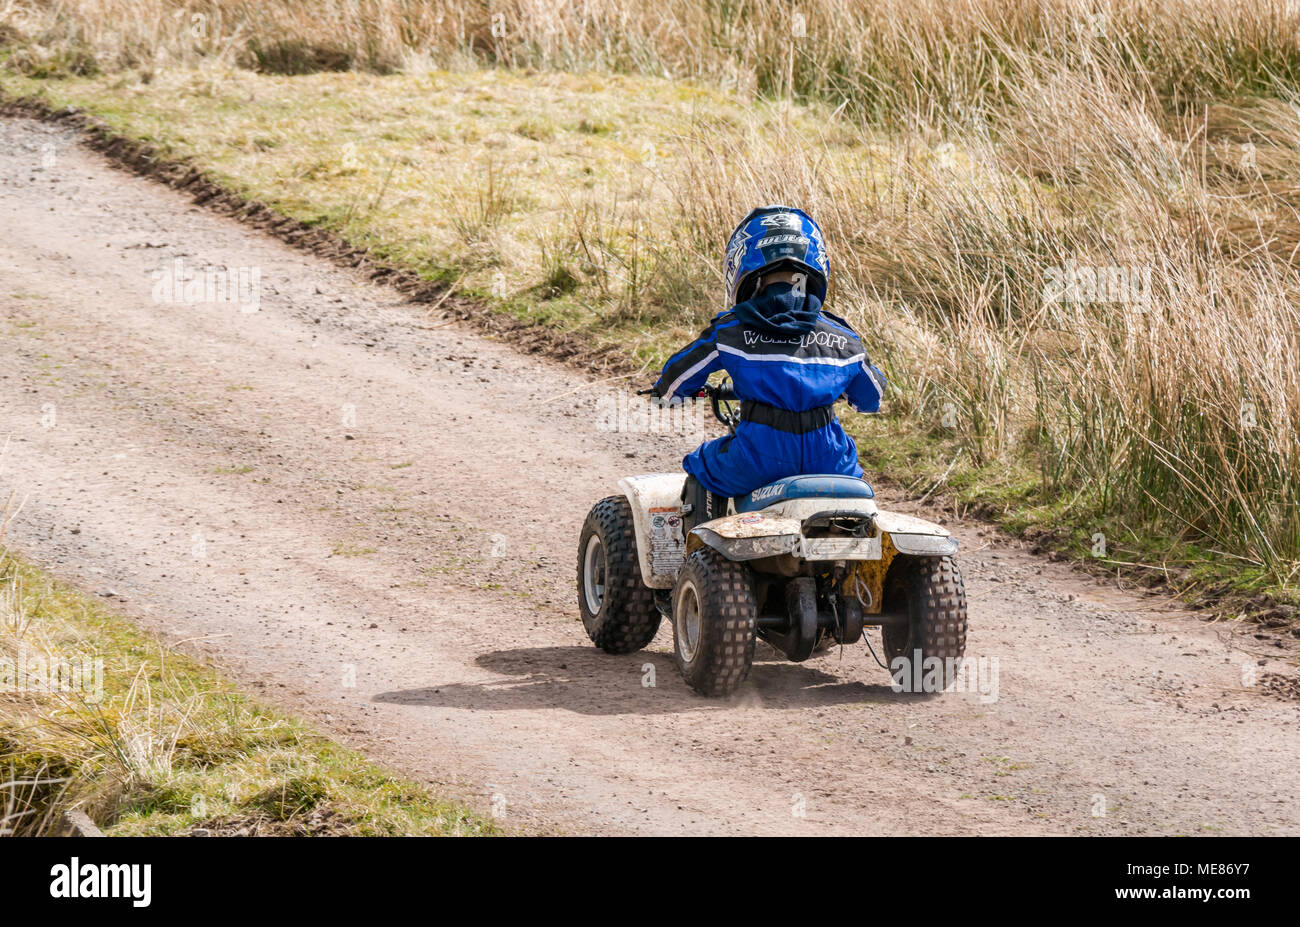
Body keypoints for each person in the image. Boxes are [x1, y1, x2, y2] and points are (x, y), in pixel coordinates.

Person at [651, 204, 886, 527]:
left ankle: (702, 564)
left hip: (758, 458)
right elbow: (872, 399)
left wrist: (665, 394)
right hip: (831, 459)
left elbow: (677, 380)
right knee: (857, 489)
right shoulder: (844, 337)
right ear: (815, 267)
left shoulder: (730, 330)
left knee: (702, 464)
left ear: (746, 271)